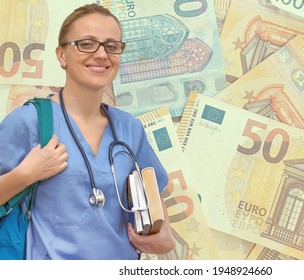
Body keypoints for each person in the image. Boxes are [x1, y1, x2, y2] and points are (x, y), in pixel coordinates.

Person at [0, 3, 175, 259]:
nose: (102, 54)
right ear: (61, 55)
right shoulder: (29, 122)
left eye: (112, 46)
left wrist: (164, 239)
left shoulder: (130, 129)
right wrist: (26, 174)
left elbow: (160, 220)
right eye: (86, 43)